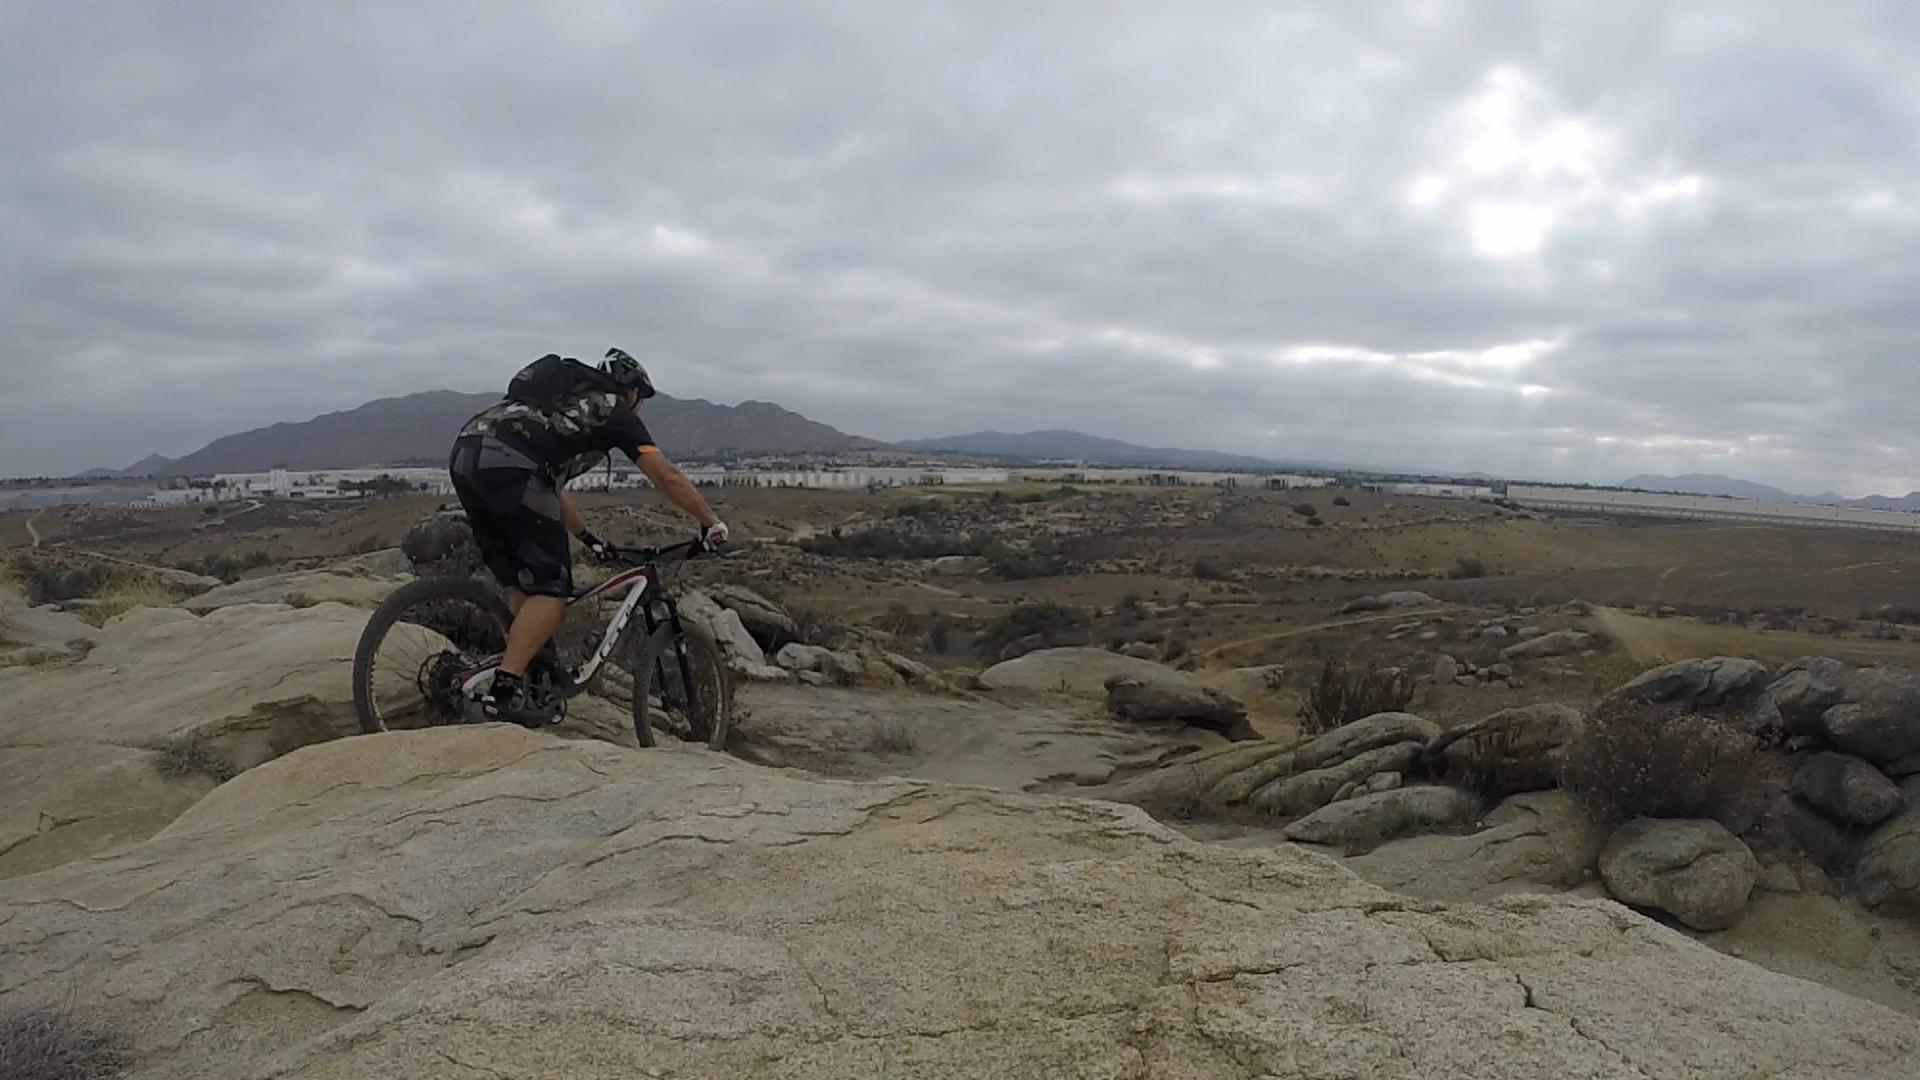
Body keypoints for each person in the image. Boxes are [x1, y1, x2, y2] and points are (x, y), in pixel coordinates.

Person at [448, 348, 727, 726]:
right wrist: (709, 521)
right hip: (512, 465)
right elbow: (666, 476)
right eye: (640, 398)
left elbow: (549, 487)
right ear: (633, 393)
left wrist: (589, 538)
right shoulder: (613, 409)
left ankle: (529, 681)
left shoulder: (560, 404)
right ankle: (506, 688)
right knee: (552, 589)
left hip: (467, 454)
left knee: (523, 583)